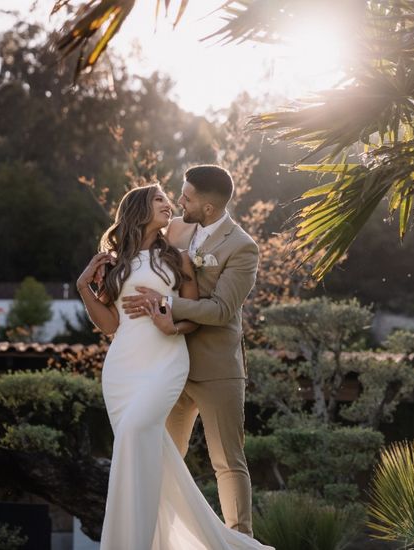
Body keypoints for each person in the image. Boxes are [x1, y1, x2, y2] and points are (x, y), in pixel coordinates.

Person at [76, 183, 269, 550]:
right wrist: (85, 287)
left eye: (172, 198)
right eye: (161, 199)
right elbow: (111, 325)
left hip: (166, 360)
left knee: (136, 432)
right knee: (151, 453)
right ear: (138, 209)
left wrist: (172, 324)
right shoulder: (114, 261)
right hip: (123, 369)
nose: (171, 205)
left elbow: (197, 316)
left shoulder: (178, 258)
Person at [120, 165, 260, 535]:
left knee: (227, 461)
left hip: (217, 367)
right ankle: (159, 535)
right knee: (164, 455)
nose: (178, 201)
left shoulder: (242, 247)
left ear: (208, 208)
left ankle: (240, 539)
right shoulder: (179, 228)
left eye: (186, 197)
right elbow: (142, 239)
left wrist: (167, 302)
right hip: (169, 362)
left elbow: (219, 310)